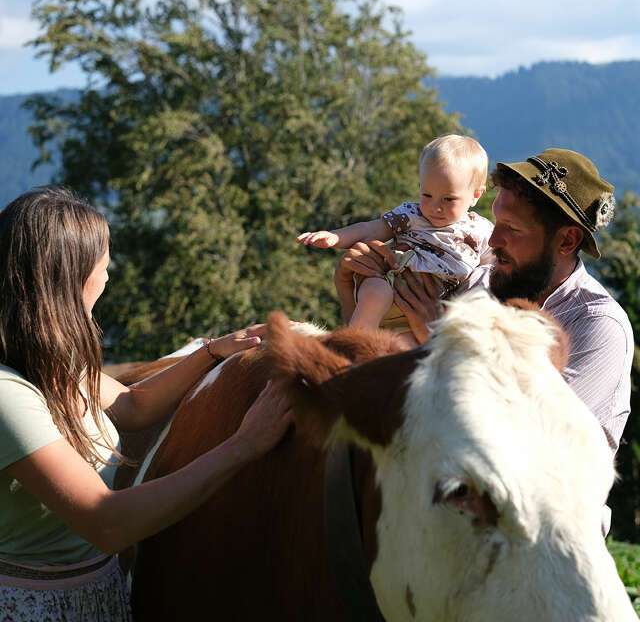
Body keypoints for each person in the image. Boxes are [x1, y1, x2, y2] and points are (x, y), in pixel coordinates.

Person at [0, 187, 294, 621]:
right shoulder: (8, 394)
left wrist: (212, 352)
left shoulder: (50, 360)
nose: (108, 273)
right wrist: (244, 444)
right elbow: (106, 523)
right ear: (72, 276)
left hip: (99, 593)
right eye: (103, 263)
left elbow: (134, 406)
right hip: (34, 608)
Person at [334, 148, 633, 461]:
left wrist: (441, 338)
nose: (493, 240)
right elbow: (375, 362)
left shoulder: (598, 327)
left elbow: (536, 441)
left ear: (567, 241)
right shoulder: (479, 282)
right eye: (496, 221)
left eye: (512, 228)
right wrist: (349, 290)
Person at [297, 135, 493, 347]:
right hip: (390, 287)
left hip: (429, 314)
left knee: (403, 348)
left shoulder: (482, 231)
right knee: (374, 293)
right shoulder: (412, 214)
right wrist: (336, 237)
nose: (435, 206)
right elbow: (371, 228)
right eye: (426, 195)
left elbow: (493, 268)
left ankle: (368, 360)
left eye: (448, 199)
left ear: (475, 195)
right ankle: (349, 348)